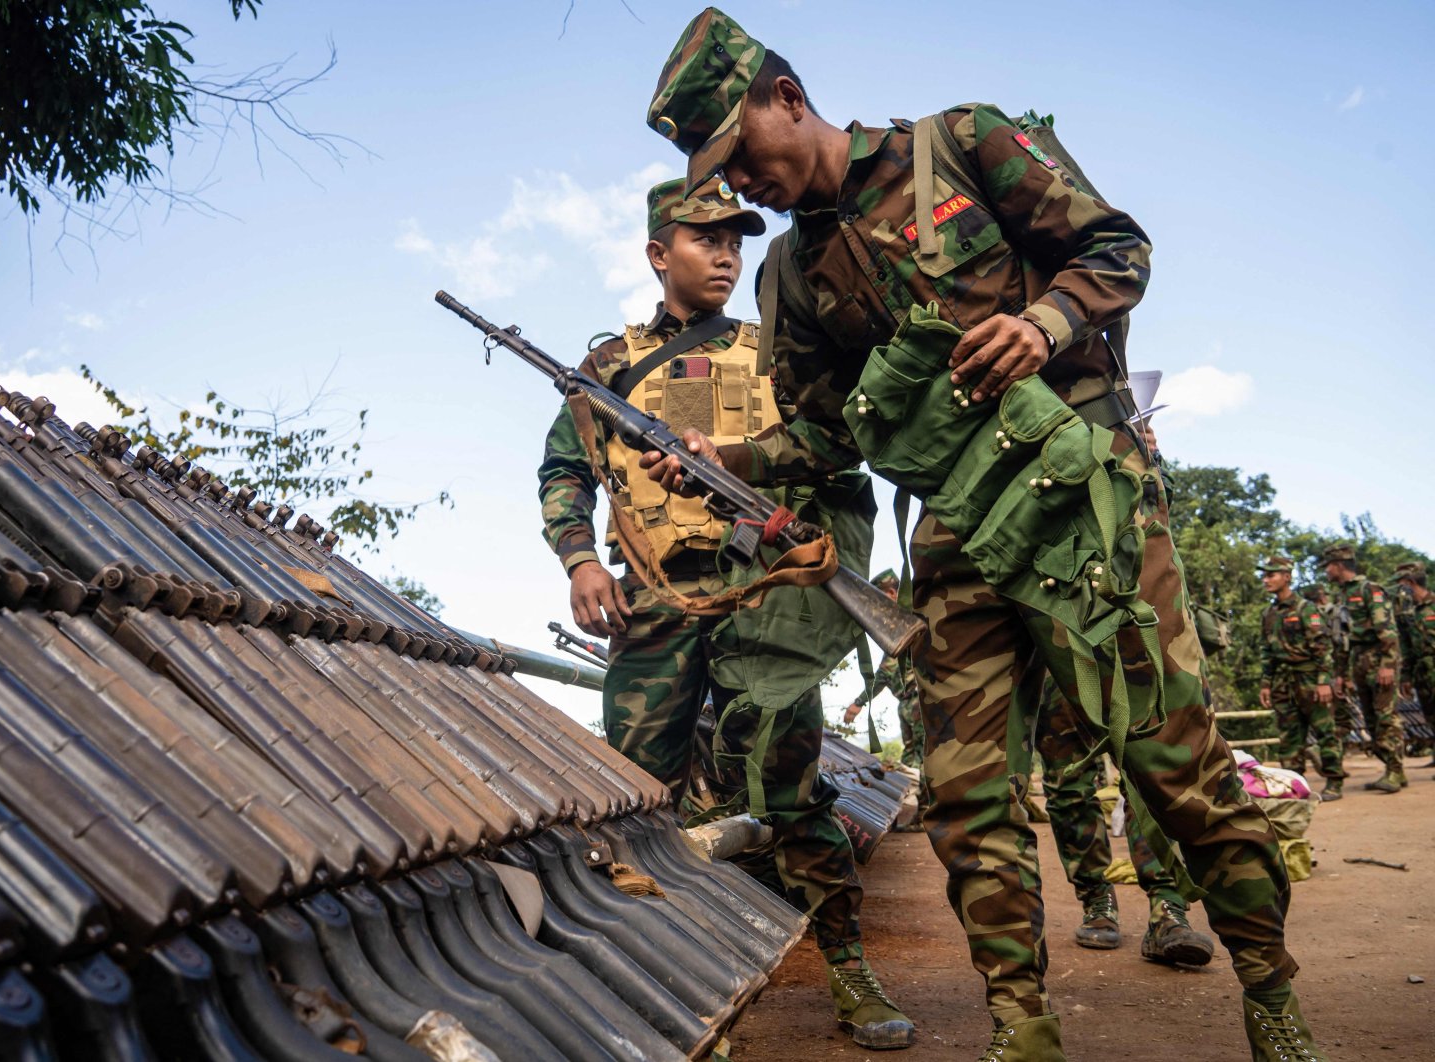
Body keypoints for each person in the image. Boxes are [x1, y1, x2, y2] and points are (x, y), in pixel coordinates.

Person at [641, 10, 1321, 1059]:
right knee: (967, 801)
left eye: (740, 154)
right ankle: (1021, 1025)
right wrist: (725, 463)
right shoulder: (790, 276)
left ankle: (1270, 993)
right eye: (716, 173)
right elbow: (827, 435)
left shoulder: (962, 142)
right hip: (958, 540)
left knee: (1171, 766)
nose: (739, 184)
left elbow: (1118, 247)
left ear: (786, 98)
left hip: (1084, 504)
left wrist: (1044, 321)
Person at [535, 176, 915, 1049]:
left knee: (789, 781)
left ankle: (848, 965)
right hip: (657, 603)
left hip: (763, 601)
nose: (726, 254)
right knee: (633, 800)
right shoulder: (606, 370)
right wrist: (580, 556)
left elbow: (836, 454)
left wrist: (748, 470)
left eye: (736, 240)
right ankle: (642, 982)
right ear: (658, 253)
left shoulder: (779, 353)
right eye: (704, 238)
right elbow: (565, 469)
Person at [1034, 675, 1217, 963]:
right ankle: (1097, 900)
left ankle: (1166, 908)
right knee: (1068, 782)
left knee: (1154, 779)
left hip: (1136, 644)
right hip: (1057, 646)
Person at [1258, 556, 1345, 800]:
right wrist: (1266, 683)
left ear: (1286, 576)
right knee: (1289, 734)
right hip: (1282, 681)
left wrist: (1322, 680)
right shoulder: (1268, 613)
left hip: (1309, 678)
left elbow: (1323, 647)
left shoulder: (1306, 609)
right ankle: (1293, 783)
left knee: (1325, 730)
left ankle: (1334, 781)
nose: (1266, 580)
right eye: (1264, 575)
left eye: (1271, 575)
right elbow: (1267, 651)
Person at [1320, 542, 1405, 792]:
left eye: (1328, 567)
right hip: (1358, 660)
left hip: (1378, 658)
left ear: (1338, 565)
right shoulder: (1342, 595)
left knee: (1386, 716)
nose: (1326, 572)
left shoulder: (1371, 590)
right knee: (1371, 719)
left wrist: (1388, 665)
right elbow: (1342, 639)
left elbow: (1387, 630)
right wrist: (1341, 675)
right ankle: (1393, 769)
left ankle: (1395, 771)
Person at [841, 569, 924, 770]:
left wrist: (859, 703)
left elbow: (884, 674)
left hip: (920, 700)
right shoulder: (899, 627)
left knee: (924, 760)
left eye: (880, 601)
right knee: (911, 761)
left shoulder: (913, 620)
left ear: (891, 595)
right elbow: (885, 674)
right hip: (908, 703)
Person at [1393, 560, 1435, 768]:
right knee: (1430, 713)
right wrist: (1406, 677)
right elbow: (1407, 647)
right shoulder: (1408, 613)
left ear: (1409, 583)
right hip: (1422, 671)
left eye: (1400, 584)